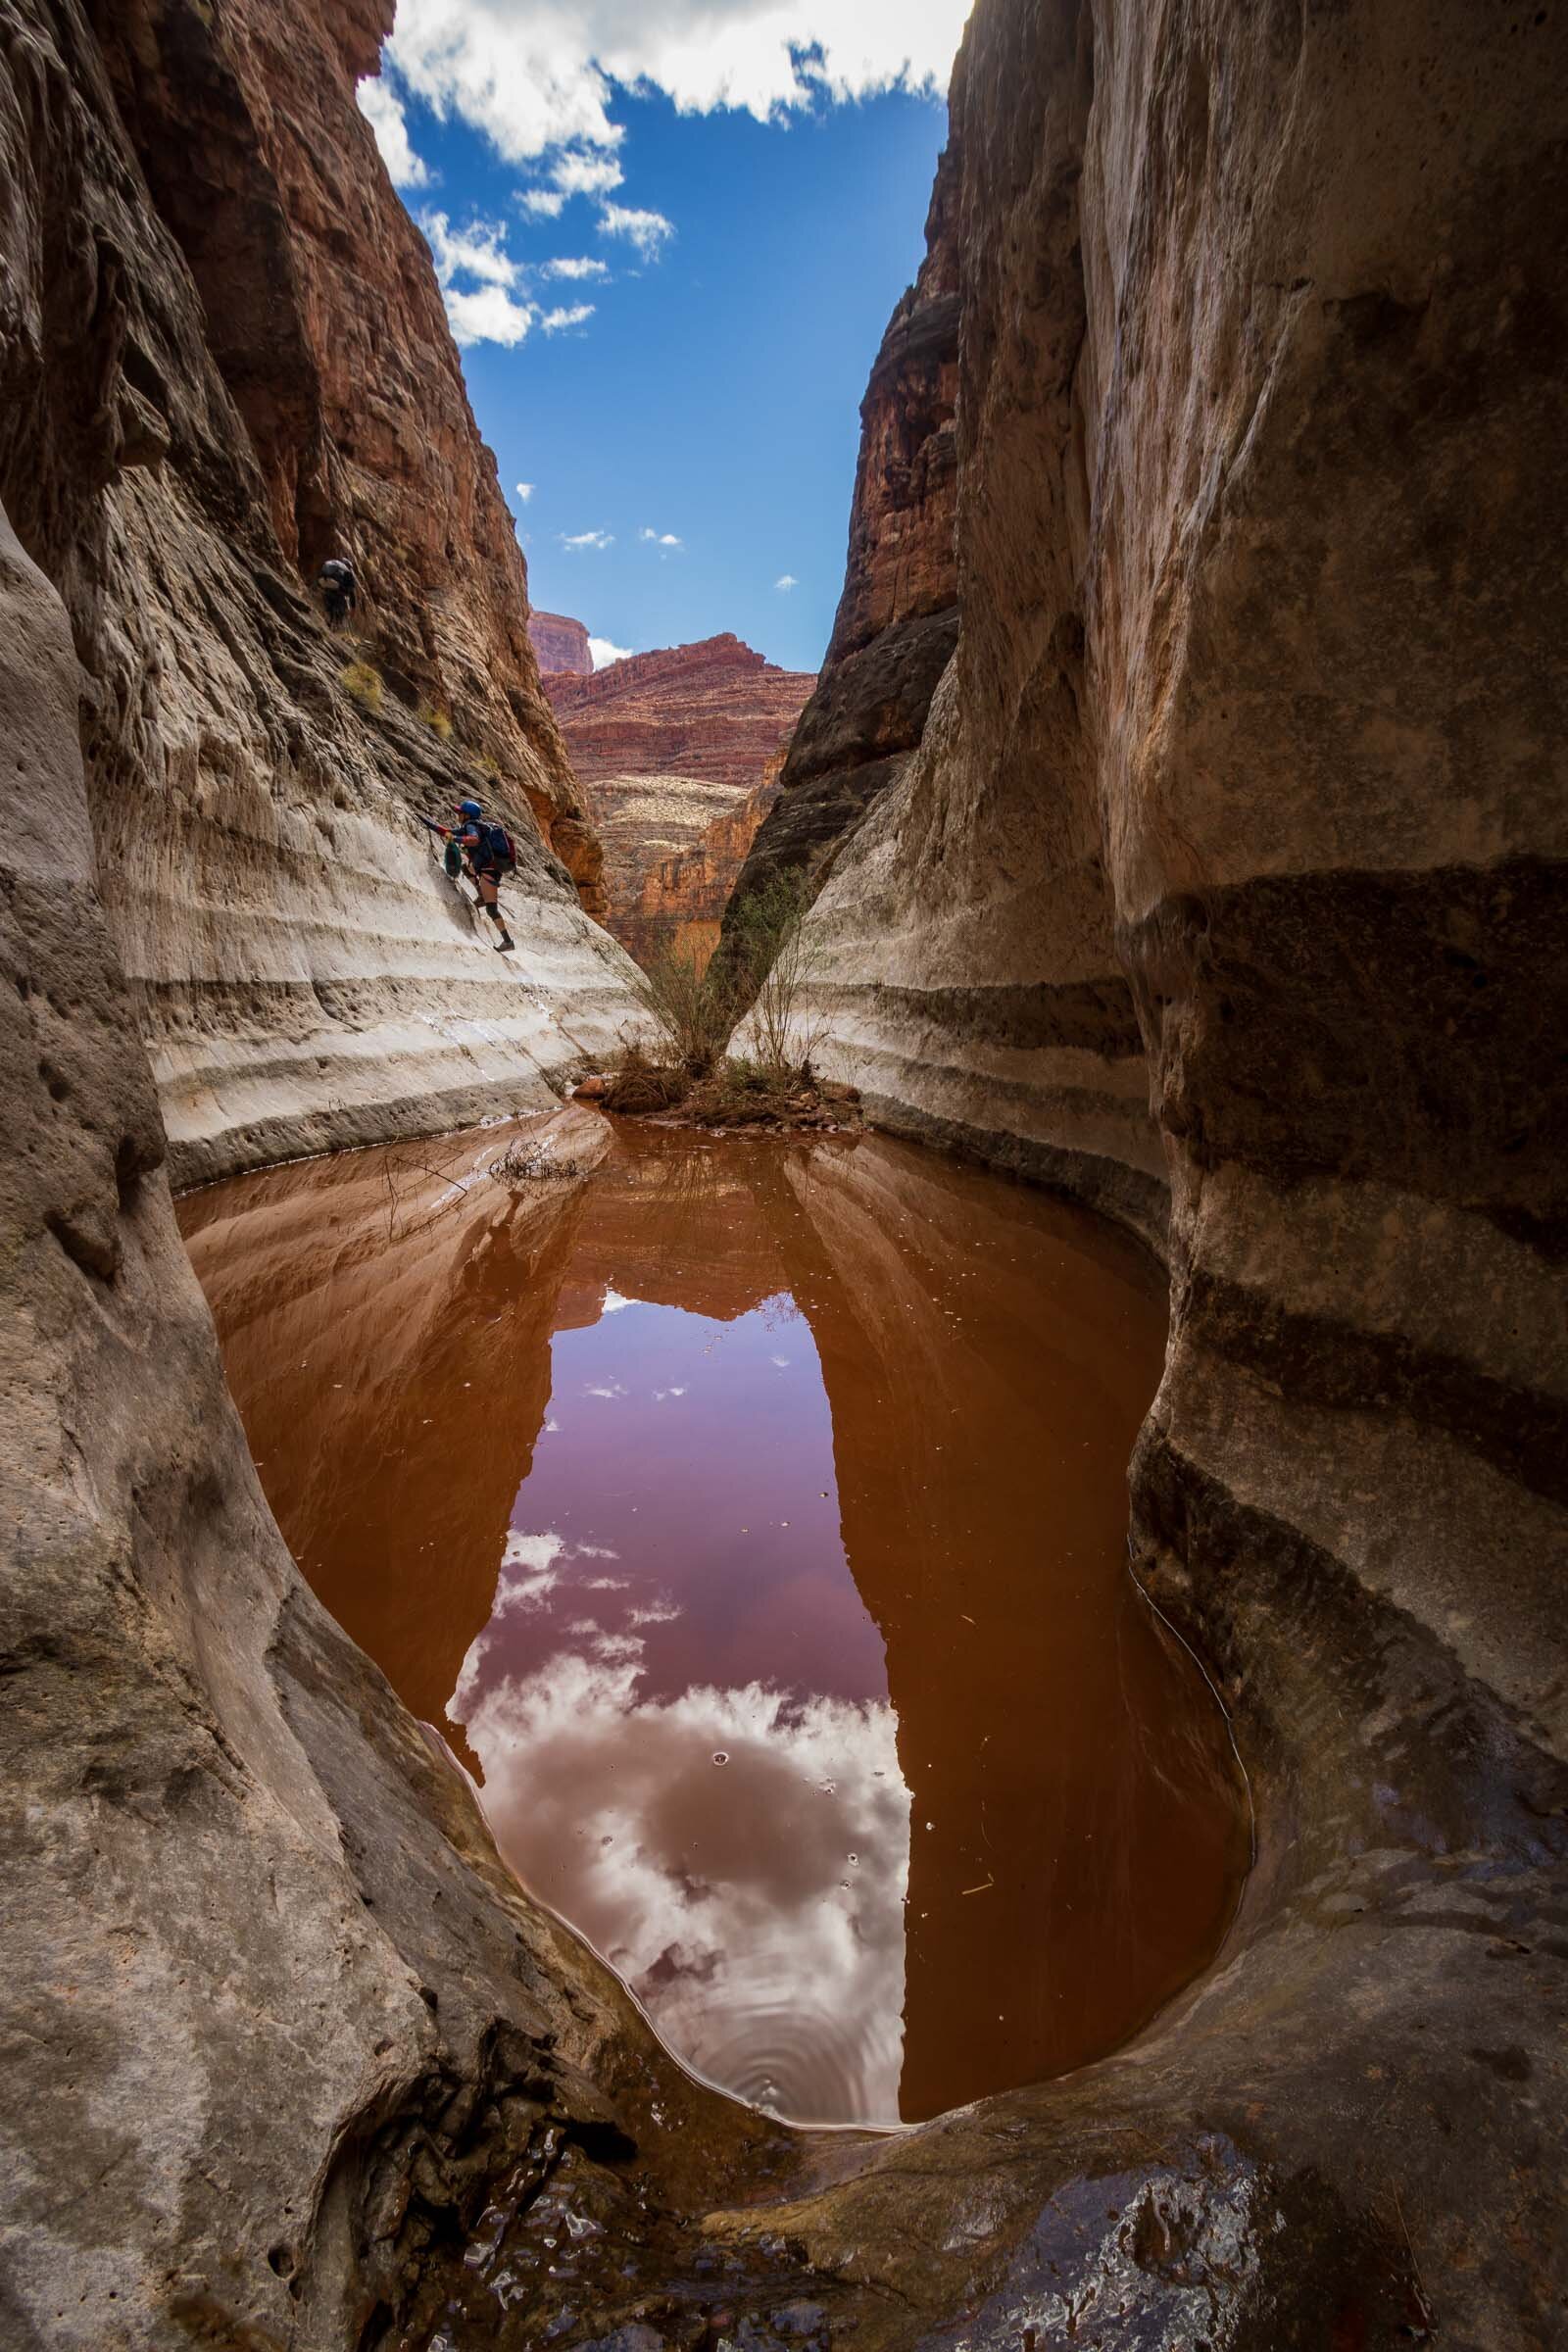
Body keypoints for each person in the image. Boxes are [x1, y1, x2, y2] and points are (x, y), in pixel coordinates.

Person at [419, 799, 517, 953]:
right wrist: (429, 824)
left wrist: (455, 839)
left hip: (488, 870)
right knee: (466, 868)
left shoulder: (471, 827)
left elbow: (473, 840)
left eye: (460, 813)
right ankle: (481, 895)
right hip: (488, 867)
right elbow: (448, 832)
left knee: (492, 909)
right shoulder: (471, 826)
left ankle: (507, 941)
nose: (458, 815)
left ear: (467, 815)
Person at [318, 555, 358, 628]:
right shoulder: (347, 571)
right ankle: (338, 623)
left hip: (322, 580)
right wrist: (353, 607)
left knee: (330, 596)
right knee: (341, 598)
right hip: (333, 584)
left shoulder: (333, 564)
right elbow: (351, 591)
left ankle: (328, 617)